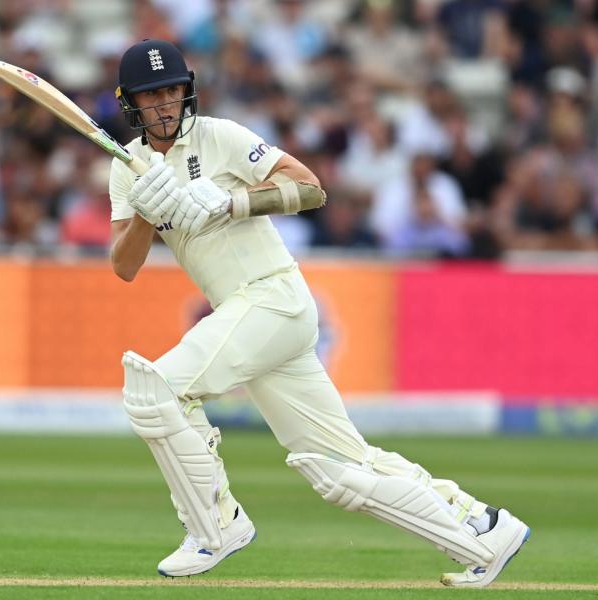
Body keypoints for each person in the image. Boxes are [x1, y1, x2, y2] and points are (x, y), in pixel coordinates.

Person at [108, 39, 529, 588]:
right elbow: (123, 265)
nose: (165, 104)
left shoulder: (220, 137)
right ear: (131, 104)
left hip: (273, 297)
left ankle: (215, 526)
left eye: (172, 91)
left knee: (157, 389)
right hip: (250, 315)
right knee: (339, 471)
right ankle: (483, 529)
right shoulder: (128, 170)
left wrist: (231, 201)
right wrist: (146, 209)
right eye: (151, 95)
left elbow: (310, 187)